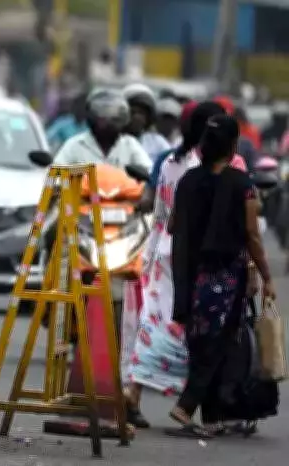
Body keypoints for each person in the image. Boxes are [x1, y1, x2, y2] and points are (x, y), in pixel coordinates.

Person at [124, 101, 245, 429]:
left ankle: (134, 393)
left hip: (164, 252)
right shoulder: (215, 166)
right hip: (201, 260)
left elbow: (162, 214)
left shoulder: (169, 161)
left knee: (154, 326)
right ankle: (197, 407)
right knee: (201, 332)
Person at [166, 114, 275, 439]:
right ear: (232, 146)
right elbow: (253, 236)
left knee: (204, 344)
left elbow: (172, 225)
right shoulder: (242, 185)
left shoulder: (186, 182)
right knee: (215, 346)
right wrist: (267, 277)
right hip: (224, 278)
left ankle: (211, 418)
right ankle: (185, 406)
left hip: (188, 274)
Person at [52, 88, 153, 173]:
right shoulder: (74, 145)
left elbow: (148, 171)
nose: (108, 122)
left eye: (114, 118)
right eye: (103, 117)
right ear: (92, 117)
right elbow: (57, 173)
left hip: (123, 196)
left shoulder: (129, 145)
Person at [122, 83, 172, 158]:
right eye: (133, 112)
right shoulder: (113, 141)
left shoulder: (158, 143)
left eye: (141, 113)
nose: (137, 117)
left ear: (148, 117)